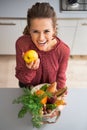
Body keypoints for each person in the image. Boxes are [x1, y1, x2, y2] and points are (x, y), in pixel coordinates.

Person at [15, 2, 70, 89]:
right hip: (28, 90)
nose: (41, 38)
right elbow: (22, 79)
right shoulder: (22, 44)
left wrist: (60, 93)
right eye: (35, 31)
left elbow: (61, 76)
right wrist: (29, 70)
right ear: (29, 30)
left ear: (54, 30)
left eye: (46, 31)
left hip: (48, 90)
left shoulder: (63, 50)